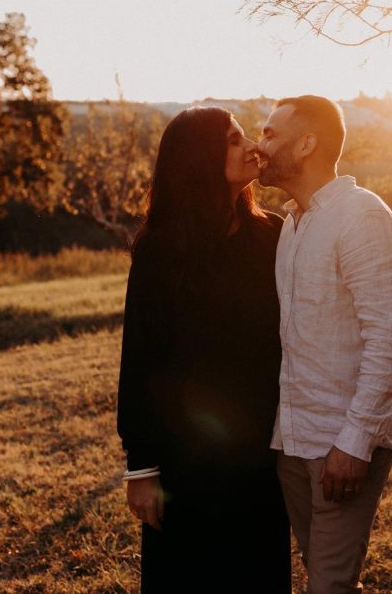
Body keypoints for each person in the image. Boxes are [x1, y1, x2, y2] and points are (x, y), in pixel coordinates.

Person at [116, 106, 291, 593]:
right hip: (184, 461)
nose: (251, 146)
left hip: (261, 454)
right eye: (234, 141)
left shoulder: (273, 236)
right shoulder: (161, 249)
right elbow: (141, 359)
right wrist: (142, 468)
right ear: (200, 159)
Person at [256, 95, 392, 594]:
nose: (259, 146)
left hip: (342, 444)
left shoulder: (361, 216)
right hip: (293, 440)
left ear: (307, 143)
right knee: (324, 575)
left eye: (269, 134)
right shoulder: (292, 225)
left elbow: (389, 337)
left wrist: (355, 442)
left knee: (327, 586)